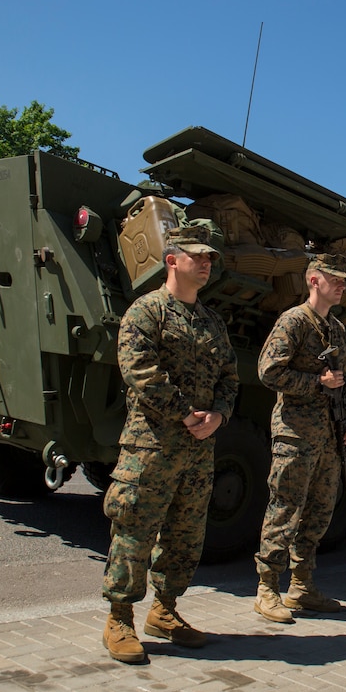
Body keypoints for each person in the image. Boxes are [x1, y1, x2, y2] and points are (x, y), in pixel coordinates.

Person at [102, 225, 240, 664]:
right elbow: (138, 369)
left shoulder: (212, 322)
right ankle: (119, 617)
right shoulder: (146, 312)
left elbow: (230, 379)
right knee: (135, 529)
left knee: (185, 535)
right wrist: (184, 412)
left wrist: (219, 414)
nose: (206, 263)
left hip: (199, 449)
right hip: (151, 446)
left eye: (211, 258)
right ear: (172, 259)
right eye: (198, 256)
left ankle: (165, 610)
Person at [254, 254, 346, 622]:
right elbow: (268, 372)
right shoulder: (294, 321)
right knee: (284, 509)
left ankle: (302, 586)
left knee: (318, 514)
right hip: (295, 433)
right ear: (314, 280)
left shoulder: (338, 330)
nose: (342, 285)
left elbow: (342, 384)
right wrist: (316, 382)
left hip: (329, 437)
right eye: (335, 279)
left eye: (344, 280)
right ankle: (267, 587)